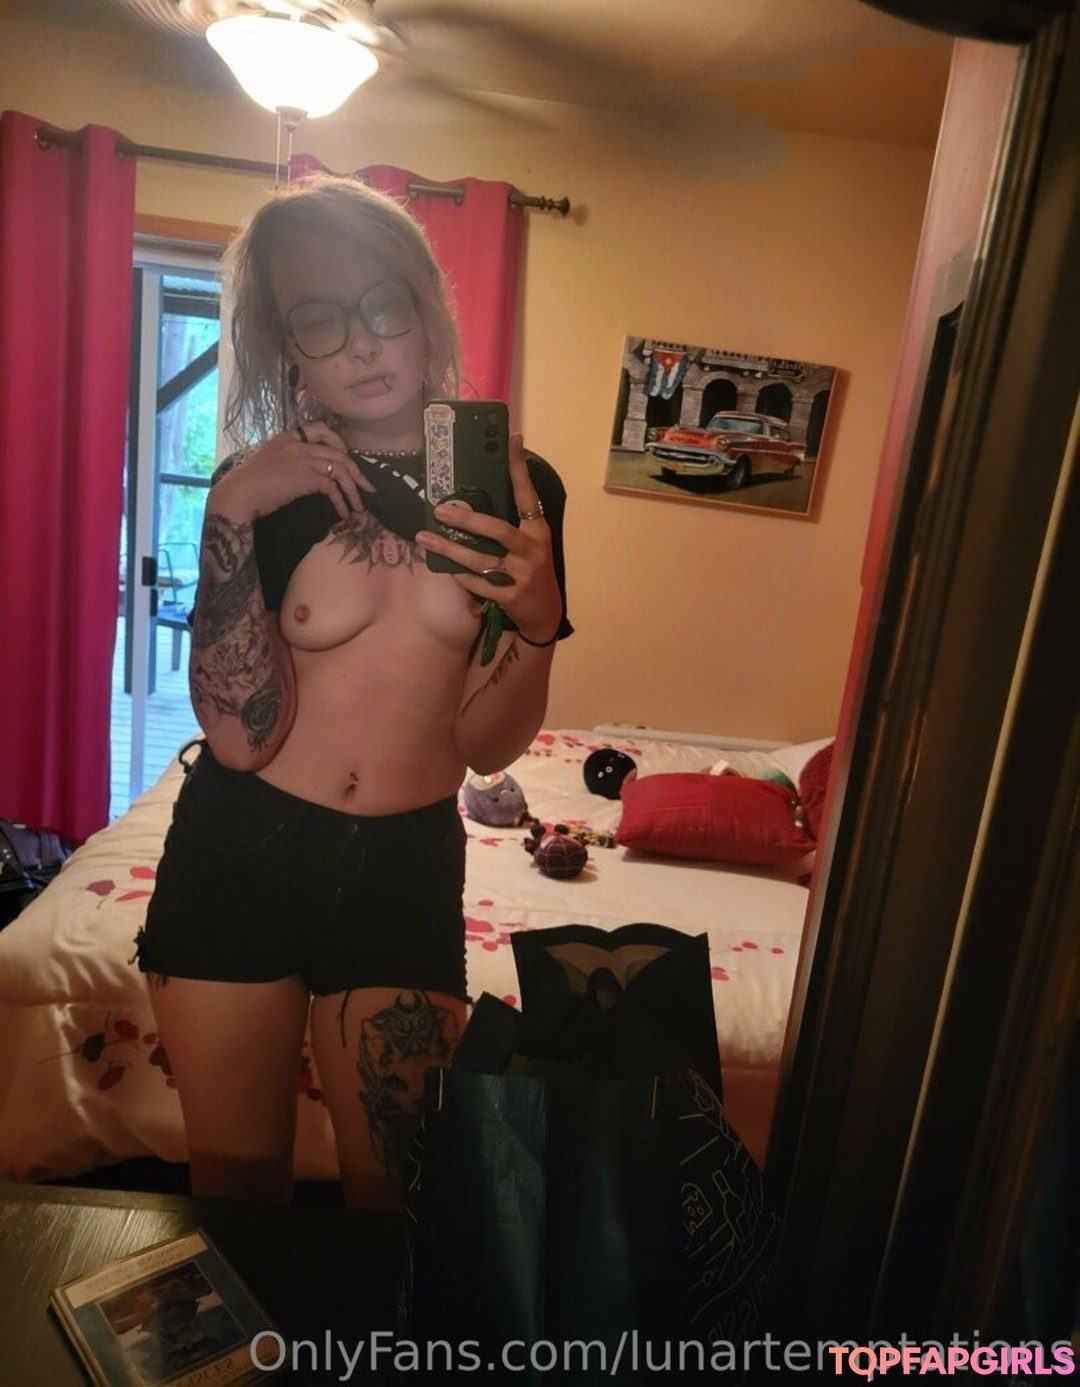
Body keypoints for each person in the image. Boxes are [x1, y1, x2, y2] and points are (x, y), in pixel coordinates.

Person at [135, 174, 572, 1208]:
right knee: (236, 1186)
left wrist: (539, 619)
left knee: (401, 1194)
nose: (363, 345)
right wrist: (229, 512)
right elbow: (238, 739)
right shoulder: (262, 486)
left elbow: (487, 745)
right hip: (238, 849)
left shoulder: (516, 491)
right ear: (286, 345)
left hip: (402, 867)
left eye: (384, 307)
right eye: (320, 321)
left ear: (425, 311)